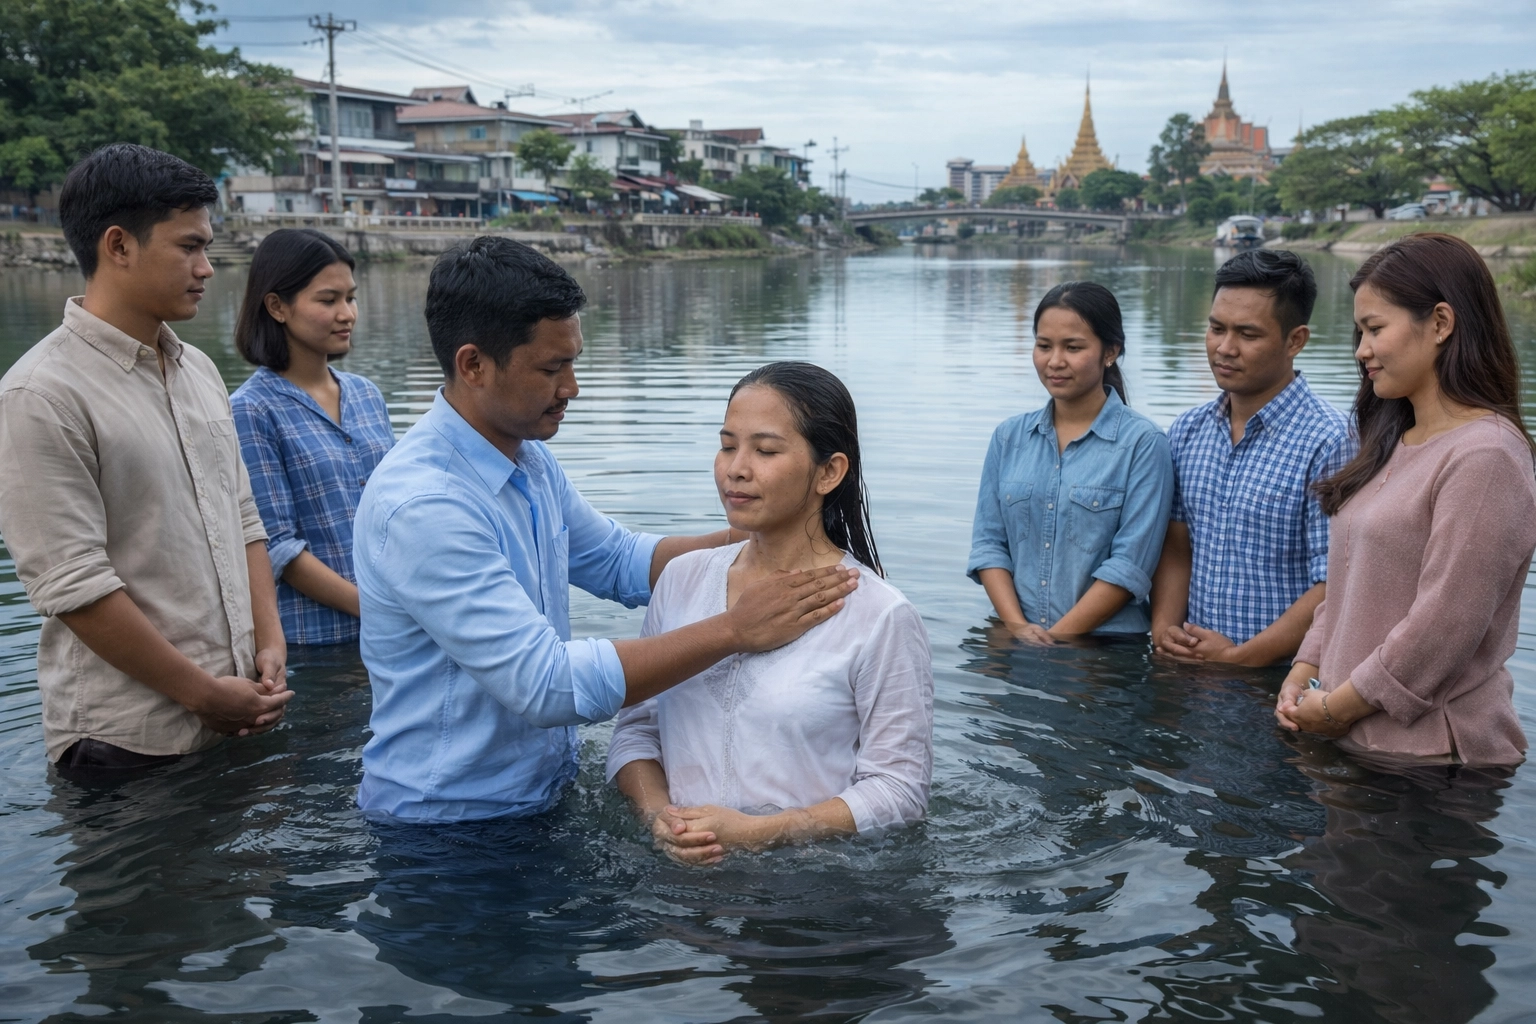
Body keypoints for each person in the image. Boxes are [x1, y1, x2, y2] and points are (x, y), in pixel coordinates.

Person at [353, 238, 859, 822]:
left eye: (574, 362)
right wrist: (735, 629)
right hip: (447, 825)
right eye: (551, 368)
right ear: (474, 365)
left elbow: (620, 560)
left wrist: (771, 532)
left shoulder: (526, 458)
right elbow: (545, 686)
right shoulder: (426, 504)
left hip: (541, 792)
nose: (572, 388)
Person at [0, 144, 291, 773]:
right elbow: (72, 584)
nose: (207, 268)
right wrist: (201, 693)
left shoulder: (200, 370)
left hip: (238, 711)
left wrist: (269, 642)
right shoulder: (42, 393)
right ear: (118, 246)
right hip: (127, 740)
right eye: (188, 247)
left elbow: (243, 518)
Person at [607, 362, 933, 865]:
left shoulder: (880, 614)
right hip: (679, 884)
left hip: (810, 890)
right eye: (727, 445)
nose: (736, 468)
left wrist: (764, 832)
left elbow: (900, 789)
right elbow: (636, 731)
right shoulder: (681, 580)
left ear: (829, 471)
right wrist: (660, 819)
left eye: (765, 450)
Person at [1276, 233, 1536, 765]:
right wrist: (1306, 668)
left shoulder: (1485, 455)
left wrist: (1335, 710)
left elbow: (1444, 624)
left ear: (1440, 323)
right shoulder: (1391, 441)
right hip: (1357, 741)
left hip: (1431, 762)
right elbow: (1350, 581)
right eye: (1359, 331)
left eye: (1374, 329)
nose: (1361, 350)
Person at [1151, 249, 1351, 666]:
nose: (1225, 348)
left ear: (1295, 340)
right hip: (1194, 674)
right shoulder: (1188, 431)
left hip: (1281, 681)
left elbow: (1335, 584)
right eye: (1216, 328)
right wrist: (1165, 632)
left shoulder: (1330, 442)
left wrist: (1239, 658)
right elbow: (1177, 545)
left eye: (1248, 334)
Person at [968, 282, 1174, 641]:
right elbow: (989, 545)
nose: (1055, 361)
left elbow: (1130, 566)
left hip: (1105, 652)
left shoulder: (1143, 443)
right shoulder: (1008, 437)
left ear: (1110, 352)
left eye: (1073, 347)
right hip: (1016, 640)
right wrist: (1018, 627)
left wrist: (1057, 640)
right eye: (1044, 346)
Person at [230, 229, 394, 645]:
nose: (347, 314)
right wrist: (378, 609)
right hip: (318, 643)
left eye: (350, 297)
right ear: (277, 306)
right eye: (328, 300)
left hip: (395, 631)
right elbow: (277, 548)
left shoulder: (366, 394)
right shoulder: (251, 410)